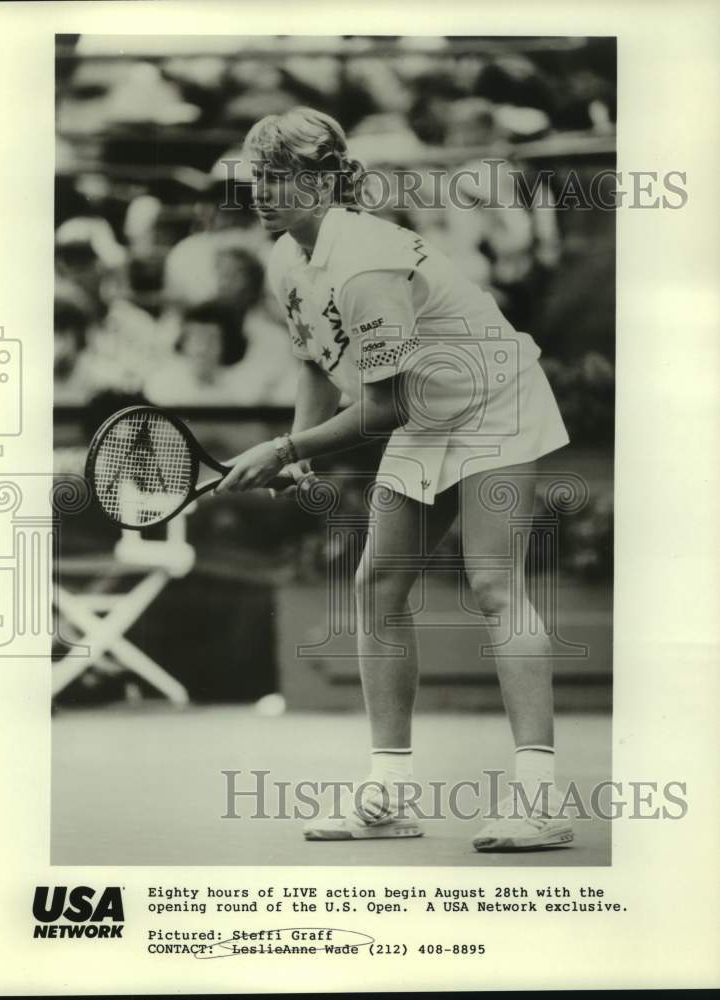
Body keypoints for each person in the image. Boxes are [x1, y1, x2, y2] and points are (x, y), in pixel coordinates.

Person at [215, 107, 572, 851]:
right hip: (424, 411)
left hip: (494, 396)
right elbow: (317, 360)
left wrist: (282, 450)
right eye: (257, 177)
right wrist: (305, 445)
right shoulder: (288, 256)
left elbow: (383, 408)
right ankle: (389, 796)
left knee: (493, 581)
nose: (262, 191)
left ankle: (541, 797)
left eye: (281, 178)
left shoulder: (366, 261)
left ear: (325, 183)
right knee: (377, 583)